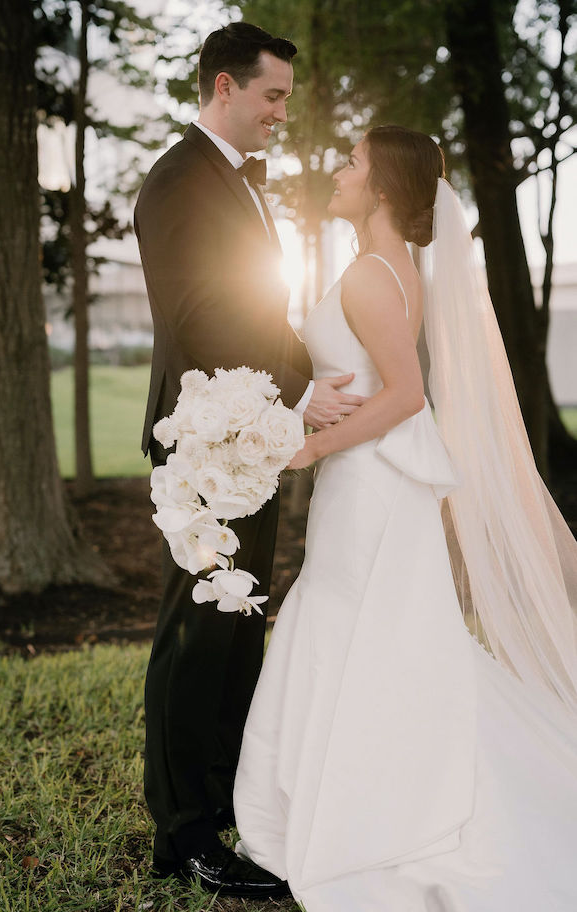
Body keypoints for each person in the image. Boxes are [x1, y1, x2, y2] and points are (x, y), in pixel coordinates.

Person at [233, 125, 577, 911]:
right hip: (368, 477)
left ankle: (374, 809)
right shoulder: (384, 269)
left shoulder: (371, 277)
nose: (340, 171)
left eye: (352, 162)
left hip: (371, 481)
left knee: (359, 625)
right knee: (365, 627)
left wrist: (310, 449)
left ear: (383, 186)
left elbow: (405, 395)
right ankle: (333, 796)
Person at [134, 22, 363, 898]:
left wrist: (299, 378)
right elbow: (201, 313)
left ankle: (228, 805)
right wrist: (300, 393)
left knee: (239, 630)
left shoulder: (237, 183)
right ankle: (183, 831)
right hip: (203, 445)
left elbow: (259, 307)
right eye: (271, 97)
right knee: (195, 635)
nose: (280, 115)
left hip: (252, 438)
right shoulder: (178, 181)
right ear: (223, 88)